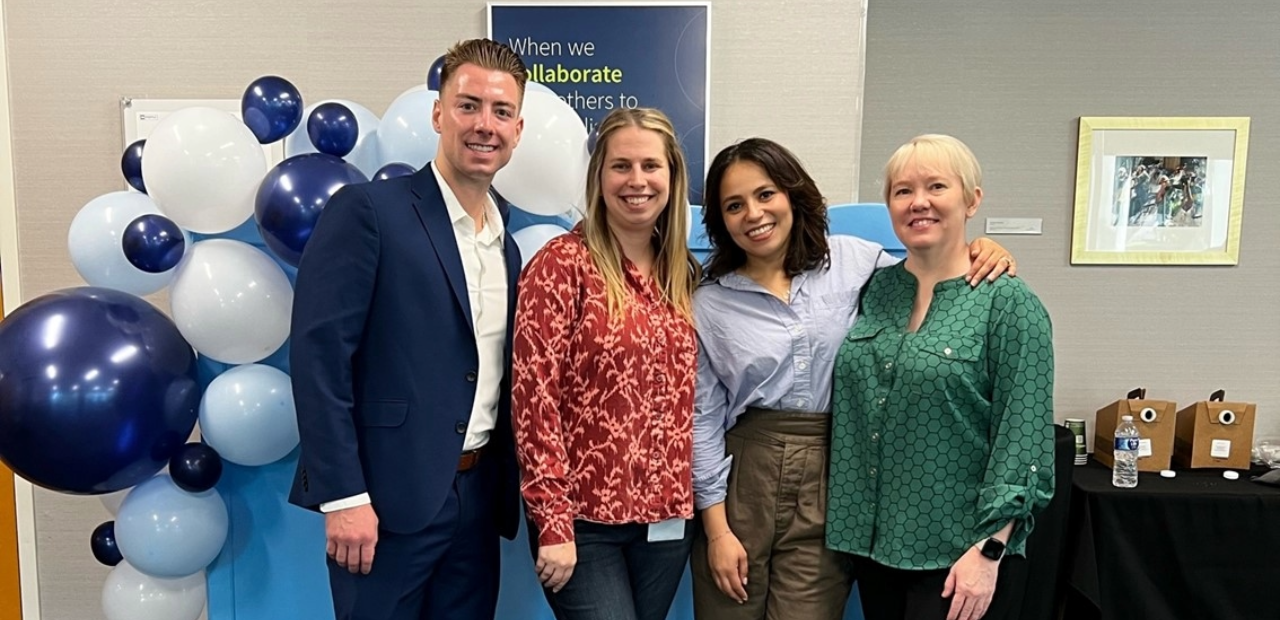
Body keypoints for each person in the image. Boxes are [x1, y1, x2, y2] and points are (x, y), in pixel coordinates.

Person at [690, 137, 1017, 619]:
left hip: (834, 473)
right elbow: (702, 418)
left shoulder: (853, 260)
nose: (753, 214)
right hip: (743, 477)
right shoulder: (709, 301)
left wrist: (979, 247)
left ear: (791, 195)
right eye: (734, 205)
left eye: (765, 195)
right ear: (720, 221)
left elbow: (931, 270)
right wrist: (716, 532)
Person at [288, 38, 527, 620]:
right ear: (439, 114)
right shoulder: (369, 210)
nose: (484, 125)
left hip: (477, 502)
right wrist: (344, 497)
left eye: (501, 112)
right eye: (468, 106)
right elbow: (320, 360)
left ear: (518, 129)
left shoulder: (508, 243)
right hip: (383, 505)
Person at [825, 134, 1055, 620]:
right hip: (872, 547)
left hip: (960, 555)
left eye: (936, 186)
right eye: (902, 191)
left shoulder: (1008, 304)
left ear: (972, 199)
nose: (919, 202)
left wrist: (990, 551)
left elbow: (1024, 441)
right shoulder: (875, 289)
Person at [512, 107, 701, 620]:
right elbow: (534, 400)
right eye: (620, 166)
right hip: (582, 522)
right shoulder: (561, 263)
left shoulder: (684, 273)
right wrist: (552, 523)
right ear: (598, 175)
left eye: (650, 166)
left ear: (672, 176)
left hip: (667, 521)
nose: (636, 181)